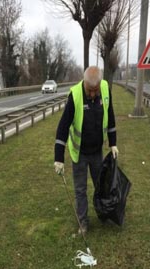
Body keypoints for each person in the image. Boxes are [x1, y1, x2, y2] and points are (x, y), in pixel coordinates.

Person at [54, 66, 119, 235]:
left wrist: (113, 143)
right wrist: (58, 158)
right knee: (80, 190)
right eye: (90, 91)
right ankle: (83, 222)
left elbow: (110, 116)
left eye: (95, 91)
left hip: (97, 151)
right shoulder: (74, 96)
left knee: (101, 186)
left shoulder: (104, 89)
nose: (92, 94)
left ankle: (104, 214)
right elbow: (62, 128)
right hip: (80, 154)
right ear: (84, 84)